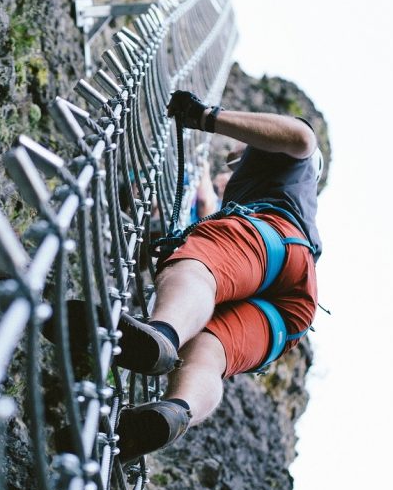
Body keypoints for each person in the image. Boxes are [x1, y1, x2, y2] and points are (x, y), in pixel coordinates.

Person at [110, 90, 324, 460]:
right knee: (208, 354)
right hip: (292, 306)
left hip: (269, 239)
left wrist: (205, 116)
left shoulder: (289, 161)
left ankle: (161, 334)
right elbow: (211, 201)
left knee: (198, 265)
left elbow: (301, 138)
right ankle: (177, 410)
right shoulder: (290, 195)